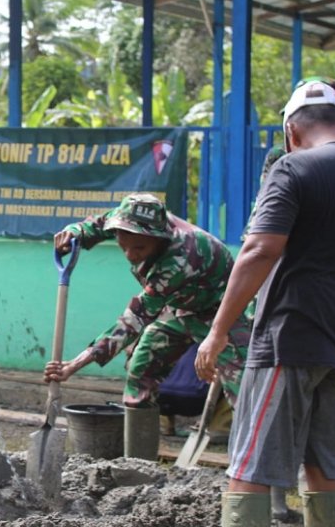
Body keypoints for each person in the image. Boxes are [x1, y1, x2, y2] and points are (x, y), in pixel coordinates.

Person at [195, 79, 335, 527]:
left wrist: (219, 330)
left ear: (291, 131)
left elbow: (260, 250)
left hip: (289, 341)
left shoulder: (293, 168)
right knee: (327, 468)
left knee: (250, 467)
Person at [43, 193, 249, 460]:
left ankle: (253, 474)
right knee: (142, 367)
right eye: (123, 245)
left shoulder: (179, 259)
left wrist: (75, 364)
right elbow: (96, 225)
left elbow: (134, 320)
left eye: (139, 248)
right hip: (179, 308)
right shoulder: (129, 219)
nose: (130, 254)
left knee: (245, 387)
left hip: (223, 312)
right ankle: (138, 467)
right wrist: (73, 234)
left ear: (158, 238)